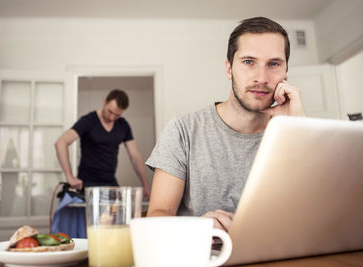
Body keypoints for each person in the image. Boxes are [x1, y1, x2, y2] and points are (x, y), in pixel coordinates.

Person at [146, 17, 305, 231]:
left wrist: (299, 132)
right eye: (249, 62)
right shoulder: (182, 130)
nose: (261, 77)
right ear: (229, 69)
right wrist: (196, 229)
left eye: (273, 64)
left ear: (285, 72)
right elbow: (157, 215)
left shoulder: (295, 133)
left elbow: (317, 217)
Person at [55, 89, 150, 199]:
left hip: (110, 182)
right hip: (87, 183)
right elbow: (61, 142)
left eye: (117, 115)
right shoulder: (88, 121)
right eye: (110, 112)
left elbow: (135, 157)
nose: (112, 118)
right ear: (105, 102)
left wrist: (146, 185)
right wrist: (69, 176)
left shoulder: (123, 125)